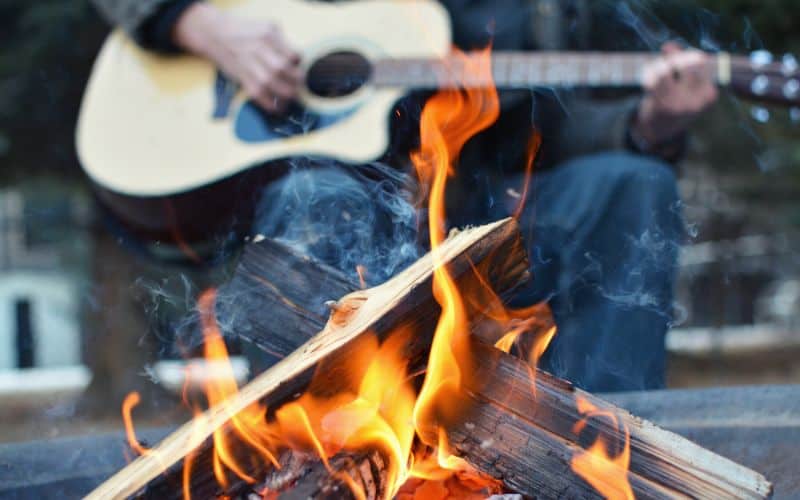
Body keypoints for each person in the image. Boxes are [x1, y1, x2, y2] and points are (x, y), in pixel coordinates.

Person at [89, 0, 718, 392]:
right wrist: (195, 20)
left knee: (635, 185)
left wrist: (646, 124)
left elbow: (557, 123)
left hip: (487, 212)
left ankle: (603, 458)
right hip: (341, 202)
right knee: (318, 199)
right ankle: (320, 465)